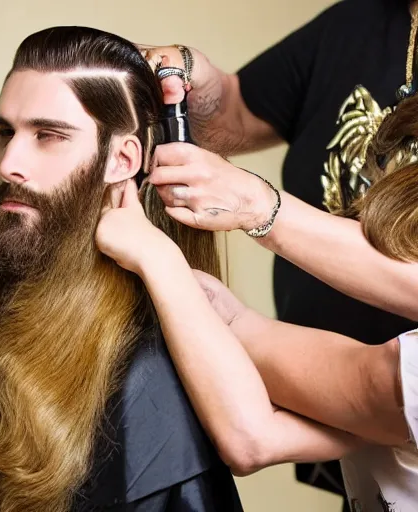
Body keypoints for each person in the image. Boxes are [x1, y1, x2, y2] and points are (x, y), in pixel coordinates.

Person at [0, 26, 245, 512]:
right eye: (5, 133)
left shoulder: (149, 383)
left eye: (49, 136)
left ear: (121, 159)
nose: (9, 164)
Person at [138, 0, 418, 504]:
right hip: (363, 452)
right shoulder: (356, 22)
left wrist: (256, 207)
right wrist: (199, 80)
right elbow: (238, 111)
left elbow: (380, 391)